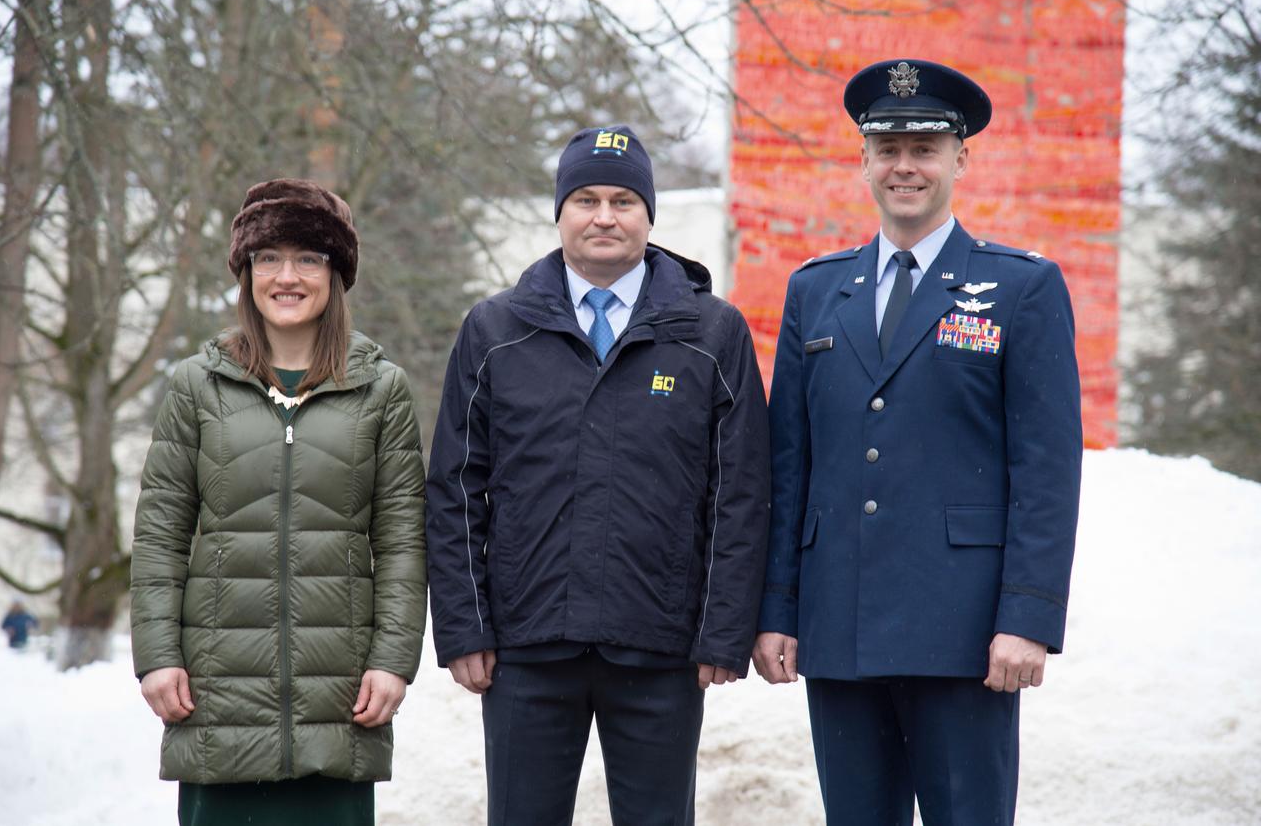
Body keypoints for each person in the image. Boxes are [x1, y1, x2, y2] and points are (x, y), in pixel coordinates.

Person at [753, 59, 1083, 825]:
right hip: (838, 624)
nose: (904, 166)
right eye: (888, 148)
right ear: (863, 160)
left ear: (959, 159)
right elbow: (788, 462)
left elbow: (1045, 469)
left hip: (963, 630)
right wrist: (777, 607)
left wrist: (1027, 616)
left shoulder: (1020, 287)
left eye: (925, 148)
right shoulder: (815, 289)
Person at [426, 124, 770, 825]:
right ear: (559, 212)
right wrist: (464, 628)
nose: (604, 216)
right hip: (526, 648)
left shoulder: (710, 335)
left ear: (649, 215)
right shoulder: (495, 332)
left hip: (661, 648)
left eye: (623, 200)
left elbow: (742, 492)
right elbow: (455, 488)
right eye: (585, 199)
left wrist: (722, 629)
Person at [130, 178, 427, 826]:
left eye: (308, 259)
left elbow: (403, 541)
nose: (286, 276)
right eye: (268, 258)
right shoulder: (196, 385)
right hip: (217, 698)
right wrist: (156, 655)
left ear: (336, 273)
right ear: (246, 272)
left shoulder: (381, 390)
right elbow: (160, 533)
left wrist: (392, 659)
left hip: (338, 699)